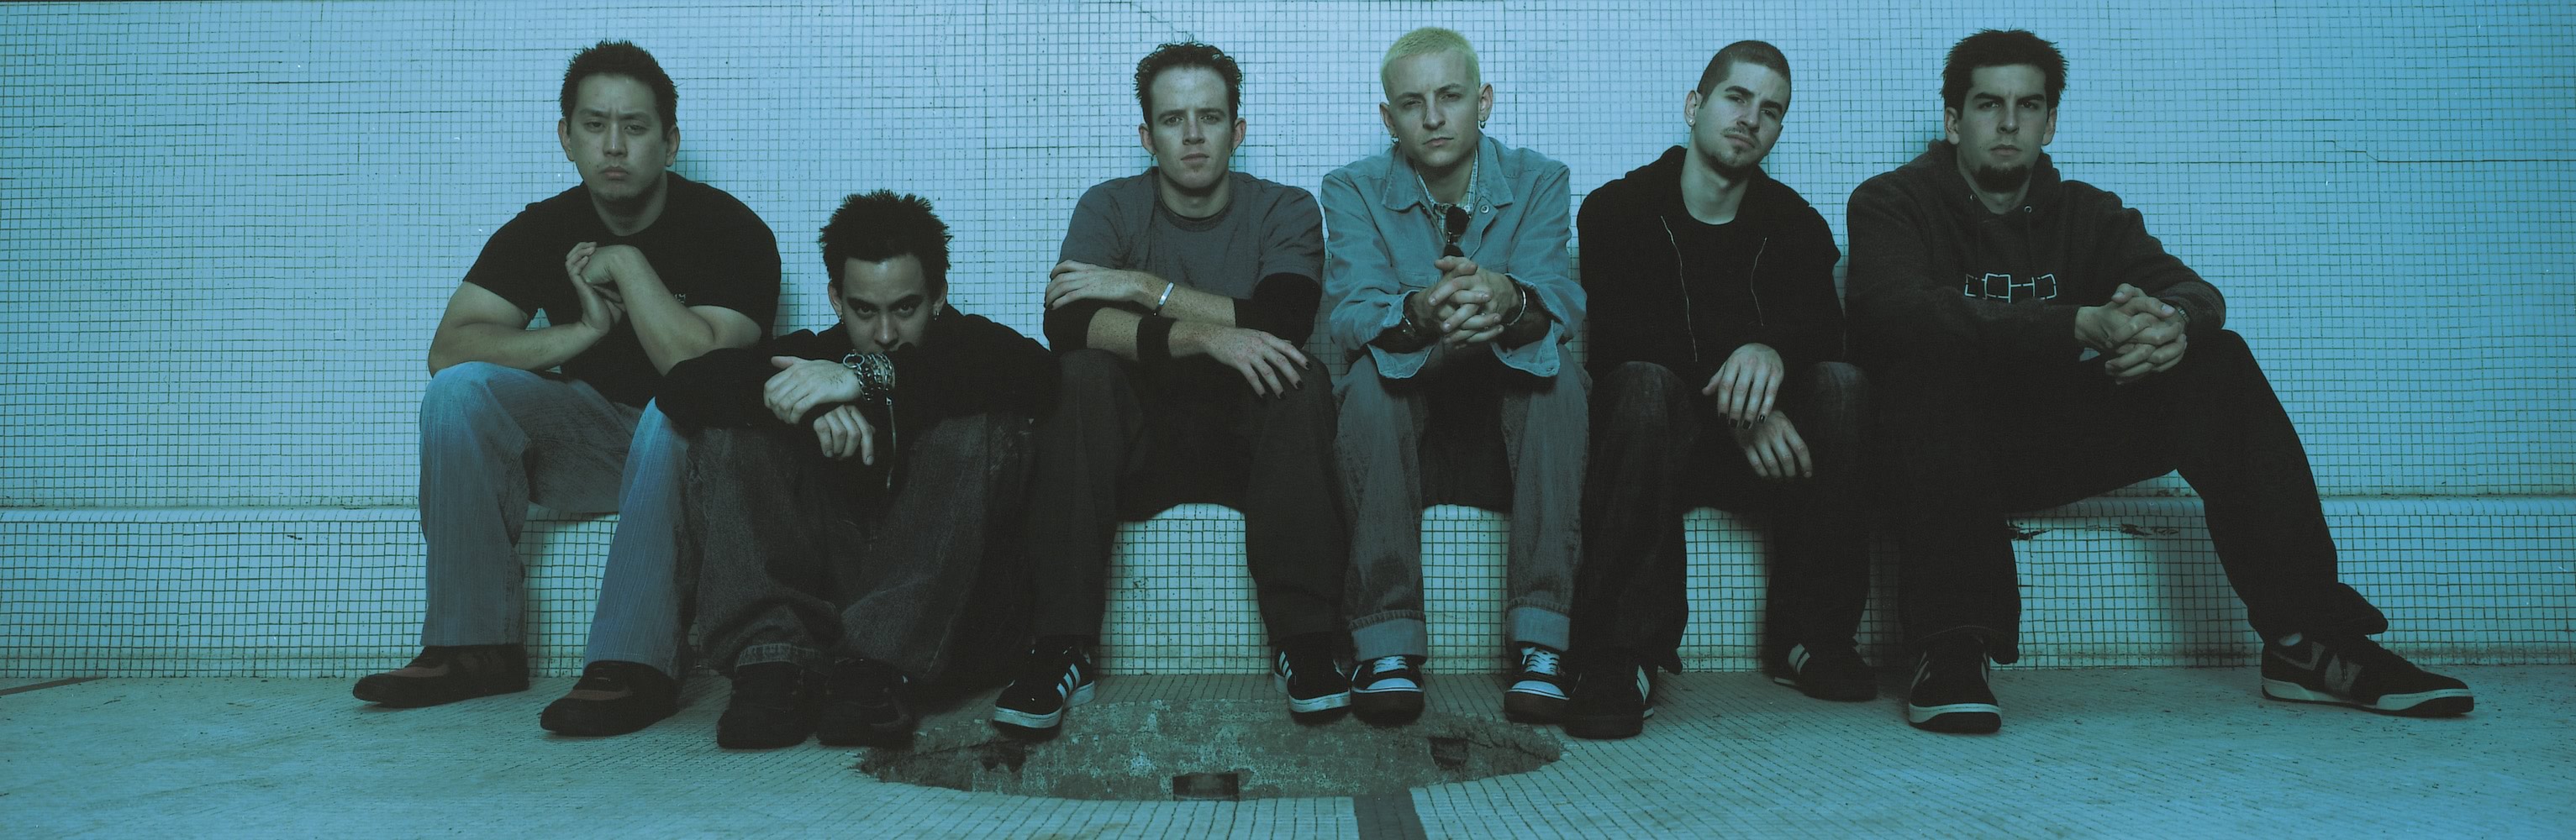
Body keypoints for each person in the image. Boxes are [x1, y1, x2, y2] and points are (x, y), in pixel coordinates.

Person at [1846, 29, 2474, 734]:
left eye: (2029, 105)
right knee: (1924, 369)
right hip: (1929, 451)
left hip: (2042, 443)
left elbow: (2191, 290)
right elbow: (1892, 312)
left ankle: (2308, 643)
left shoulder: (2087, 213)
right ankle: (1952, 647)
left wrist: (2173, 323)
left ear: (2049, 123)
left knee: (2216, 360)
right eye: (1989, 104)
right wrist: (2073, 324)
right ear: (1953, 120)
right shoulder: (1891, 202)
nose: (2009, 122)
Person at [354, 41, 779, 720]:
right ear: (567, 138)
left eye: (634, 127)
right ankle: (474, 647)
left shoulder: (731, 230)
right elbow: (449, 349)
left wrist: (628, 266)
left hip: (698, 454)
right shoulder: (541, 228)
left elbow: (697, 372)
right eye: (594, 125)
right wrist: (581, 332)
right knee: (457, 392)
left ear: (669, 143)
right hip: (596, 441)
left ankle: (634, 664)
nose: (614, 145)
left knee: (672, 409)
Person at [993, 43, 1351, 737]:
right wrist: (1204, 334)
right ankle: (1060, 647)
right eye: (1172, 119)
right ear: (1146, 136)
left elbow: (1283, 319)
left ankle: (1306, 642)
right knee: (1076, 375)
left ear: (1237, 131)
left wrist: (1139, 286)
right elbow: (1066, 324)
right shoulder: (1109, 206)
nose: (1191, 135)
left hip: (1252, 448)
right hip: (1137, 447)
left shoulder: (1284, 208)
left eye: (1209, 117)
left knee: (1299, 377)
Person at [656, 191, 1056, 748]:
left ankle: (879, 668)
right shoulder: (817, 354)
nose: (886, 333)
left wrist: (869, 377)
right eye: (865, 311)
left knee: (977, 428)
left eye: (906, 308)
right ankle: (772, 665)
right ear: (836, 299)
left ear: (939, 296)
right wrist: (808, 400)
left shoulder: (973, 347)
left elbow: (1041, 375)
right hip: (834, 601)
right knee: (734, 433)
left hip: (951, 622)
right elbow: (685, 387)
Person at [1562, 40, 1874, 741]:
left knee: (1842, 386)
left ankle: (1813, 637)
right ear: (1694, 106)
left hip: (1771, 456)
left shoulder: (1796, 224)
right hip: (1655, 444)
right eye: (1736, 97)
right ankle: (1619, 654)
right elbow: (1623, 341)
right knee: (1639, 383)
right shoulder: (1616, 209)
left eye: (1771, 110)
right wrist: (1740, 413)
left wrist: (1771, 353)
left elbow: (1825, 333)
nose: (1750, 119)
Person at [1322, 27, 1587, 726]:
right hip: (1405, 430)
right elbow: (1351, 315)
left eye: (1450, 97)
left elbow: (1558, 302)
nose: (1433, 117)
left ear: (1484, 101)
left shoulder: (1540, 179)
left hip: (1508, 430)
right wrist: (1420, 312)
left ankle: (1543, 644)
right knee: (1366, 386)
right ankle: (1385, 645)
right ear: (1388, 118)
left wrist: (1508, 298)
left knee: (1558, 378)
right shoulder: (1350, 189)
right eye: (1412, 104)